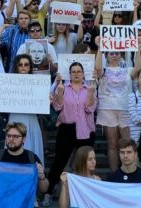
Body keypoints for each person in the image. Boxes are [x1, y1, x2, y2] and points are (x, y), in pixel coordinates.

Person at [45, 62, 96, 205]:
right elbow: (57, 106)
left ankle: (86, 195)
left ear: (83, 73)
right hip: (66, 128)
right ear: (69, 74)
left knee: (85, 163)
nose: (76, 74)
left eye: (79, 71)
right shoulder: (63, 87)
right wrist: (59, 92)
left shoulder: (89, 88)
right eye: (73, 71)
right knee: (59, 162)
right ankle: (49, 192)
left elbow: (90, 109)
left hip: (85, 129)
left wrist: (91, 93)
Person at [0, 122, 49, 203]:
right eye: (8, 136)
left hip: (25, 203)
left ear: (23, 139)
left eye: (15, 136)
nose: (11, 139)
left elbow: (44, 189)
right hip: (1, 203)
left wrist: (42, 177)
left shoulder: (32, 158)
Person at [2, 54, 44, 166]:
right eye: (20, 65)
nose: (23, 67)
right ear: (17, 67)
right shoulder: (8, 83)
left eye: (26, 64)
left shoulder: (38, 83)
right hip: (15, 118)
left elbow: (41, 104)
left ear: (30, 67)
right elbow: (3, 101)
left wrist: (46, 99)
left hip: (31, 120)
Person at [94, 48, 132, 172]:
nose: (115, 55)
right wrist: (100, 47)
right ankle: (115, 175)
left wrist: (139, 48)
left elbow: (138, 69)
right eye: (112, 53)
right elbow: (98, 68)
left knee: (127, 143)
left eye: (117, 53)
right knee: (112, 144)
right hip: (107, 108)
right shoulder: (103, 71)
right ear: (107, 56)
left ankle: (129, 171)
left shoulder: (128, 70)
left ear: (121, 56)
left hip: (125, 108)